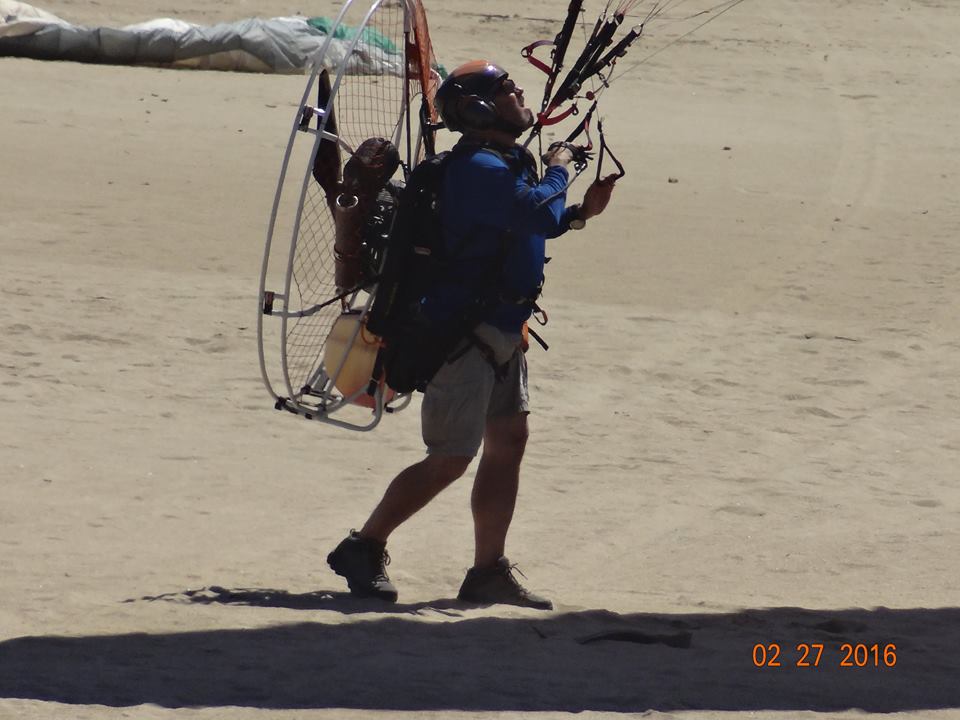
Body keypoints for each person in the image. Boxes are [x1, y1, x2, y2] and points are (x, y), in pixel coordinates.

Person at [327, 60, 617, 609]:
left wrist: (578, 214)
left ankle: (488, 571)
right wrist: (560, 169)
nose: (520, 91)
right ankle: (363, 546)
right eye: (507, 88)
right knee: (450, 457)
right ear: (480, 109)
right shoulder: (478, 166)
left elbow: (529, 224)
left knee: (508, 442)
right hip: (463, 332)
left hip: (503, 326)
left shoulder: (507, 161)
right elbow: (533, 212)